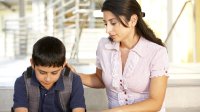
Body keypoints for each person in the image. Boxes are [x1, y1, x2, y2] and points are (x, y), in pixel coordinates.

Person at [77, 0, 169, 112]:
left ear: (133, 20)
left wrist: (116, 111)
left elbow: (156, 103)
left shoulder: (156, 52)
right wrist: (75, 75)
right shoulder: (104, 46)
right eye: (106, 23)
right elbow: (100, 79)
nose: (108, 30)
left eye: (113, 23)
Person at [12, 36, 86, 112]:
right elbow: (20, 109)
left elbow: (79, 109)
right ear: (32, 63)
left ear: (63, 64)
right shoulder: (22, 82)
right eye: (42, 72)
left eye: (54, 73)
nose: (48, 79)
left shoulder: (74, 81)